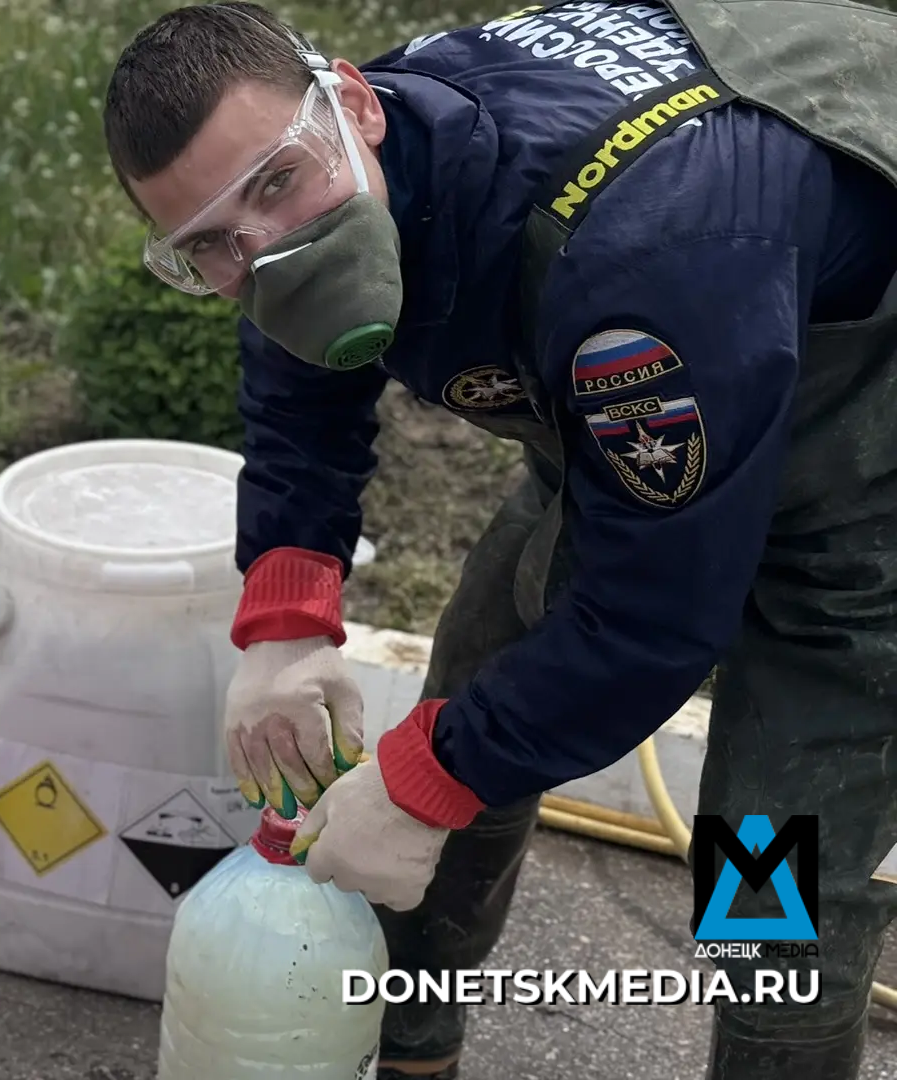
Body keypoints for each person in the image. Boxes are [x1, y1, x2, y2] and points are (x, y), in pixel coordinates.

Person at [102, 1, 897, 1077]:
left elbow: (654, 619)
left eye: (277, 190)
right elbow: (301, 371)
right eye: (209, 247)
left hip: (864, 470)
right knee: (465, 712)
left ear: (355, 105)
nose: (265, 251)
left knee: (767, 879)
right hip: (690, 378)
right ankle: (409, 1053)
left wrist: (434, 775)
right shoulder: (333, 156)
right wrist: (287, 616)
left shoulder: (641, 261)